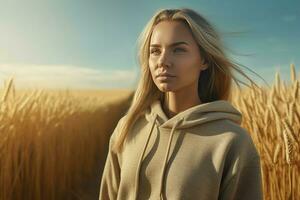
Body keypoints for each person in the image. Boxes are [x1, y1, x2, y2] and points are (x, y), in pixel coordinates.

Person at [99, 7, 264, 200]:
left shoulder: (232, 141)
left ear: (204, 60)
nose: (163, 61)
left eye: (178, 50)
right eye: (155, 51)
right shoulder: (127, 128)